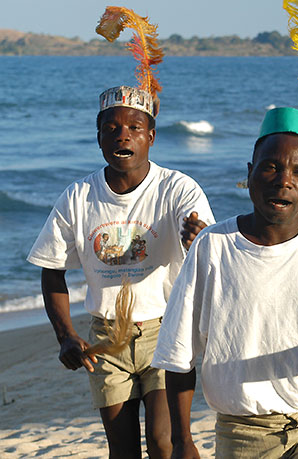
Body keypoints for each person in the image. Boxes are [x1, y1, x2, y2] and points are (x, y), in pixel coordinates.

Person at [152, 107, 298, 459]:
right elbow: (178, 353)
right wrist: (182, 440)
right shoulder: (213, 246)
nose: (284, 180)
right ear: (250, 174)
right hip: (241, 430)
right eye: (271, 167)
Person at [27, 84, 215, 458]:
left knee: (167, 442)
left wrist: (196, 237)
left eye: (134, 127)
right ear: (98, 138)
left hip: (165, 330)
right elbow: (52, 271)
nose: (122, 134)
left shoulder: (177, 188)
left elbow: (203, 237)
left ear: (151, 137)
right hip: (106, 339)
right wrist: (66, 335)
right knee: (123, 450)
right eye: (111, 128)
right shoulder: (78, 197)